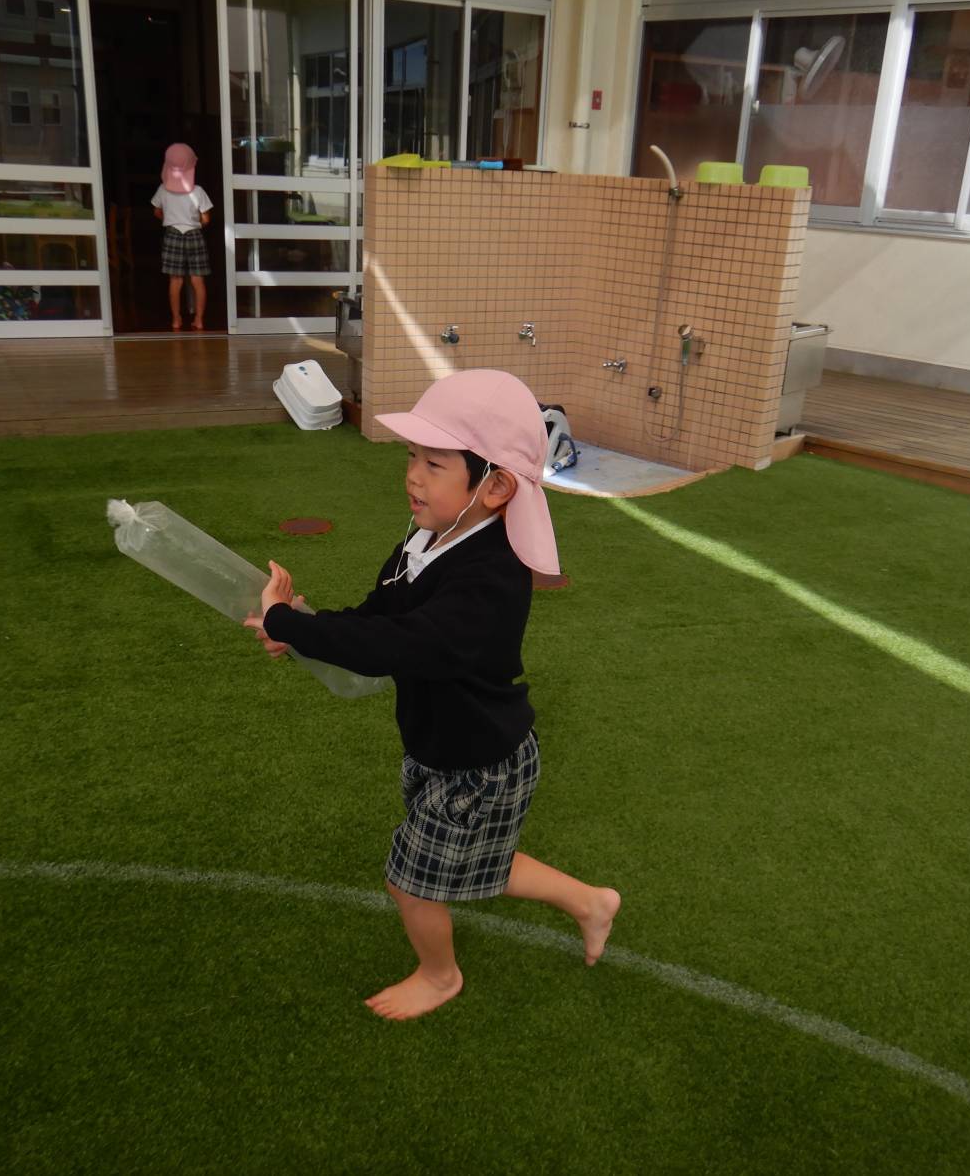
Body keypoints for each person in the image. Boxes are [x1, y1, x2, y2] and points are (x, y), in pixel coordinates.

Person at [243, 369, 621, 1021]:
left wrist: (290, 624)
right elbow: (378, 617)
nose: (413, 476)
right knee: (475, 859)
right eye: (413, 457)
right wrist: (302, 629)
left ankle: (440, 977)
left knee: (412, 883)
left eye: (435, 463)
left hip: (480, 765)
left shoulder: (489, 582)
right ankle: (591, 902)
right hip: (444, 747)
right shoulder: (427, 539)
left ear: (495, 486)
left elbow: (397, 645)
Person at [149, 143, 213, 331]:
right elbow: (206, 219)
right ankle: (199, 320)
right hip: (194, 235)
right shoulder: (198, 191)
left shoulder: (163, 189)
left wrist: (170, 219)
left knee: (175, 280)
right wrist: (195, 223)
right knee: (197, 280)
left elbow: (156, 211)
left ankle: (176, 319)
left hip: (172, 235)